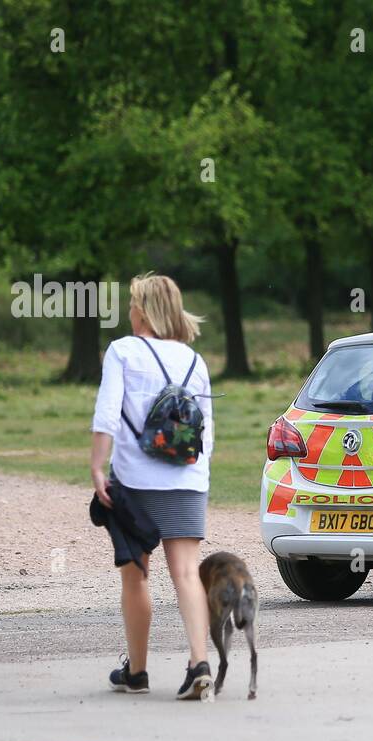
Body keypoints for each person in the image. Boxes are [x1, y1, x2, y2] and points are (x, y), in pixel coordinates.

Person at [90, 274, 215, 700]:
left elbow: (107, 414)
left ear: (142, 310)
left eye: (132, 304)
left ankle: (137, 672)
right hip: (187, 479)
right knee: (186, 573)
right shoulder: (196, 361)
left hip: (135, 482)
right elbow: (206, 435)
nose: (129, 312)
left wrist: (95, 466)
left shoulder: (122, 351)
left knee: (136, 576)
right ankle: (199, 662)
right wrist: (198, 479)